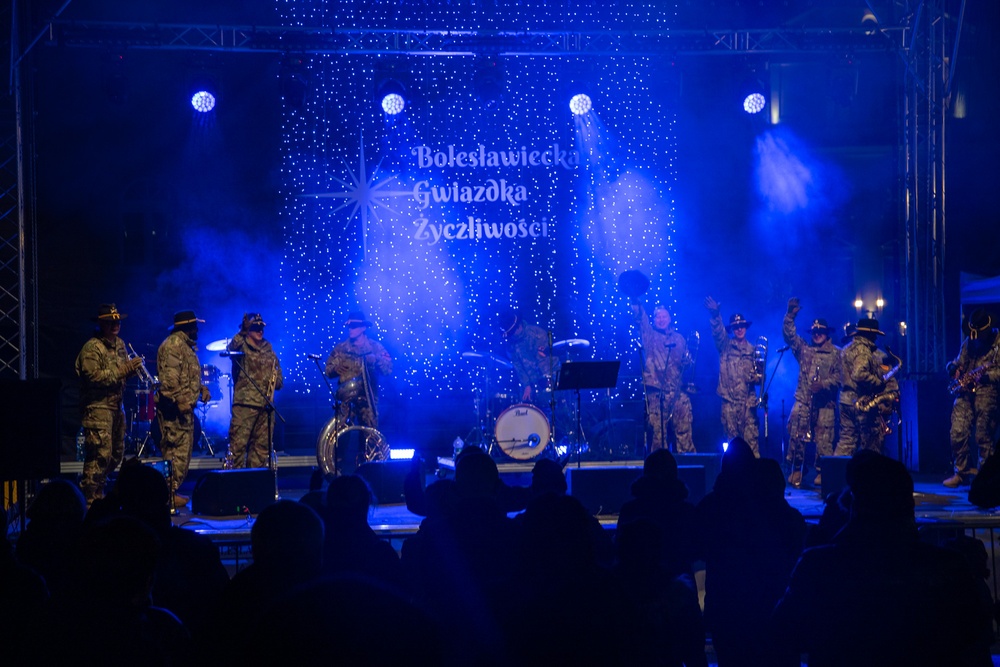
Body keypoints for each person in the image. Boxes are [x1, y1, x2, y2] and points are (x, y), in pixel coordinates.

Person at [74, 304, 145, 506]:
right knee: (99, 455)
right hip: (98, 409)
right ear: (101, 324)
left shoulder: (120, 345)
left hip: (116, 407)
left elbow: (119, 376)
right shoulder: (92, 348)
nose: (115, 325)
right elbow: (94, 377)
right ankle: (88, 499)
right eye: (110, 322)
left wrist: (131, 371)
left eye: (117, 322)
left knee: (115, 454)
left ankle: (98, 493)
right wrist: (124, 370)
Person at [783, 298, 843, 487]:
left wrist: (824, 385)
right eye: (815, 332)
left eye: (820, 332)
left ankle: (822, 471)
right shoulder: (805, 350)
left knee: (824, 439)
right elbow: (790, 337)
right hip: (804, 400)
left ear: (826, 333)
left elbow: (840, 378)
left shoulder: (836, 354)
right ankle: (796, 469)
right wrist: (790, 316)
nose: (817, 335)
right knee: (796, 436)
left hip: (825, 403)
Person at [156, 310, 212, 507]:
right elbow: (169, 381)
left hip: (184, 410)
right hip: (174, 412)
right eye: (195, 326)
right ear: (187, 327)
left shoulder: (186, 348)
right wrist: (180, 401)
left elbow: (188, 377)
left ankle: (170, 493)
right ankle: (165, 496)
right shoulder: (173, 346)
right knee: (173, 453)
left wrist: (202, 389)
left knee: (182, 455)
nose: (197, 330)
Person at [943, 309, 1000, 488]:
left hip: (988, 391)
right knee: (957, 432)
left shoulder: (998, 343)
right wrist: (953, 368)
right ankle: (960, 472)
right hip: (966, 391)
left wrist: (985, 377)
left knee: (983, 436)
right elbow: (957, 361)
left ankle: (985, 478)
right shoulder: (969, 342)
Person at [630, 301, 694, 453]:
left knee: (684, 433)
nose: (661, 319)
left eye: (664, 316)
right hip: (657, 394)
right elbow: (641, 319)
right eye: (657, 317)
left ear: (670, 318)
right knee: (658, 437)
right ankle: (658, 470)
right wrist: (635, 299)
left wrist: (687, 361)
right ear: (653, 320)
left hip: (677, 392)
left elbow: (686, 362)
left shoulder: (679, 338)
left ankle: (688, 469)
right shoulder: (649, 336)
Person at [225, 312, 283, 469]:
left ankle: (253, 487)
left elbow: (278, 376)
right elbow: (230, 349)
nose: (260, 331)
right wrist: (242, 332)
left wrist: (275, 381)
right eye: (256, 328)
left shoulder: (269, 349)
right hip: (245, 405)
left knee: (261, 451)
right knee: (237, 449)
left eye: (261, 327)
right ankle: (233, 488)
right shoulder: (241, 345)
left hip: (265, 408)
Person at [705, 296, 761, 456]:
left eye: (742, 326)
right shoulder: (725, 346)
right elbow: (717, 333)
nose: (739, 329)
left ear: (746, 327)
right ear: (732, 329)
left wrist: (757, 378)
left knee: (751, 445)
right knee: (732, 446)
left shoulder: (754, 350)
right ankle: (733, 477)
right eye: (736, 327)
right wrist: (716, 315)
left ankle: (754, 478)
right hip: (729, 404)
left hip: (748, 404)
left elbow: (761, 377)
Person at [324, 311, 392, 430]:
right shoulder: (341, 348)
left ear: (363, 328)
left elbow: (388, 370)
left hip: (368, 401)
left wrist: (375, 360)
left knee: (369, 436)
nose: (351, 329)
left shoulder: (375, 347)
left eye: (354, 327)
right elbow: (328, 371)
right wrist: (336, 369)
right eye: (349, 327)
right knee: (341, 435)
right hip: (346, 400)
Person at [836, 317, 889, 458]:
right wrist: (878, 383)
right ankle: (868, 477)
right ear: (871, 334)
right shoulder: (864, 350)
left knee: (846, 441)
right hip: (861, 402)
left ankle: (836, 476)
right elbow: (859, 374)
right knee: (871, 443)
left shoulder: (846, 349)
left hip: (845, 400)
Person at [498, 307, 559, 405]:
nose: (512, 336)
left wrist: (545, 383)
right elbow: (518, 367)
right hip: (532, 384)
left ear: (518, 327)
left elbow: (544, 360)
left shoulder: (536, 334)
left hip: (549, 379)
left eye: (512, 332)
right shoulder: (511, 345)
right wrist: (527, 385)